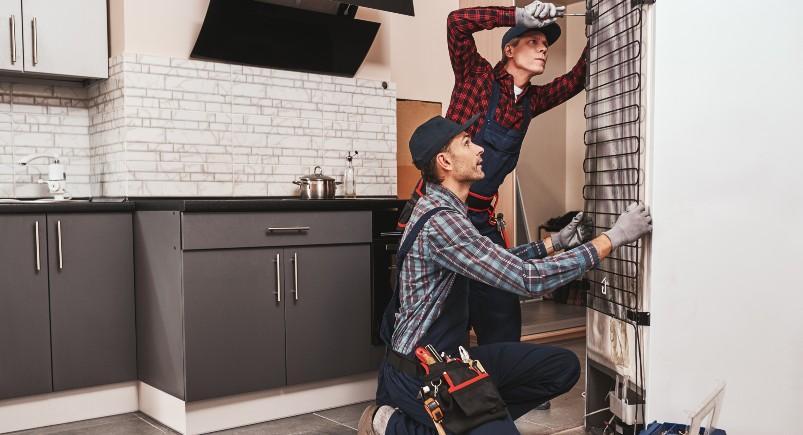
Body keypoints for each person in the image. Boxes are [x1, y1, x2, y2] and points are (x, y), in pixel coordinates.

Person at [358, 116, 652, 434]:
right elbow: (527, 279)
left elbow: (495, 262)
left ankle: (475, 418)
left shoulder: (446, 211)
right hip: (419, 372)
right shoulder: (442, 222)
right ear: (445, 162)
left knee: (561, 367)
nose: (480, 149)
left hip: (454, 359)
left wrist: (555, 243)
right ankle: (389, 422)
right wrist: (613, 238)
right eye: (468, 143)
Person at [397, 1, 590, 347]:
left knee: (502, 306)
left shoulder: (531, 102)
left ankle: (509, 377)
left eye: (546, 44)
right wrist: (516, 16)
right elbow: (457, 22)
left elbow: (577, 79)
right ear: (509, 49)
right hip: (440, 211)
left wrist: (602, 23)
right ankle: (435, 389)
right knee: (442, 311)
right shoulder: (477, 76)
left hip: (482, 220)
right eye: (533, 40)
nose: (544, 47)